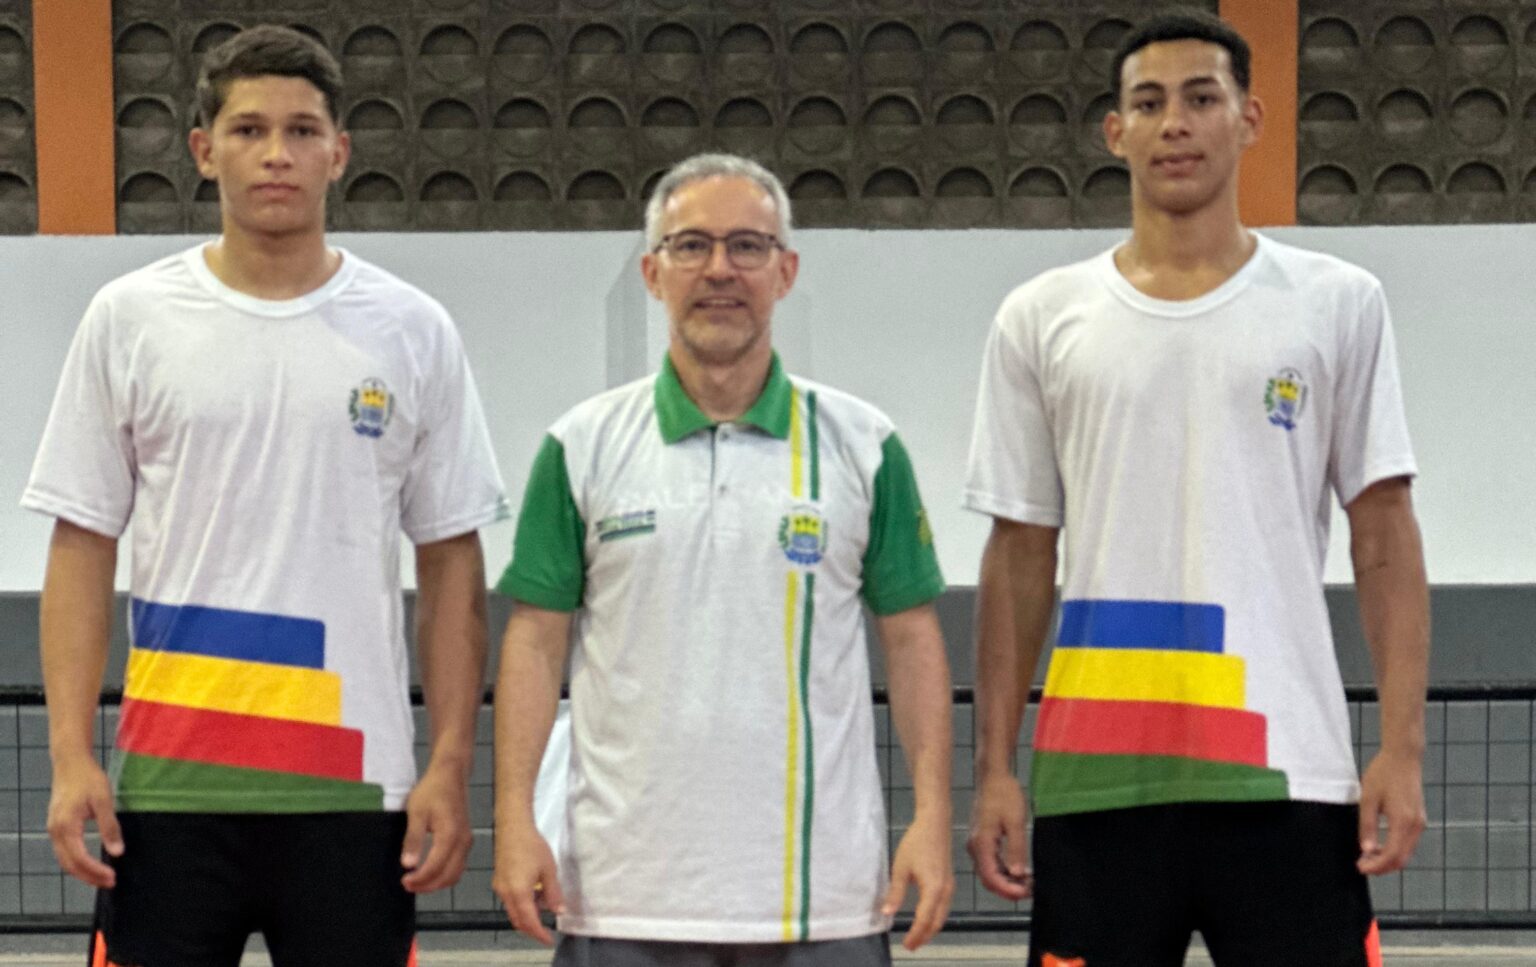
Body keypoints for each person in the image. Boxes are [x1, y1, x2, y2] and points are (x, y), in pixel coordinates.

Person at [22, 25, 507, 967]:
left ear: (340, 152)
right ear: (204, 150)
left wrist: (451, 763)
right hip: (166, 794)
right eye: (248, 130)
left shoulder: (413, 329)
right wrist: (71, 755)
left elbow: (451, 560)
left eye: (301, 130)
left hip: (355, 795)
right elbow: (82, 545)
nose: (276, 153)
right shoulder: (129, 319)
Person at [963, 11, 1429, 967]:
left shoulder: (1338, 302)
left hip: (1288, 774)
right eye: (1148, 102)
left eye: (1200, 97)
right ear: (1115, 131)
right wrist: (994, 768)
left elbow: (1383, 533)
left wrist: (1403, 746)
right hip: (1097, 780)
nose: (1174, 122)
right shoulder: (1039, 317)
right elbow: (1018, 553)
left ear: (1249, 119)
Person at [491, 153, 955, 966]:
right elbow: (534, 641)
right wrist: (513, 818)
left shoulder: (863, 443)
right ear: (652, 272)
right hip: (621, 896)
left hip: (823, 901)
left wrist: (933, 815)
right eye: (691, 245)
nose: (719, 269)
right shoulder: (581, 444)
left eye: (747, 245)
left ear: (785, 271)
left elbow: (913, 639)